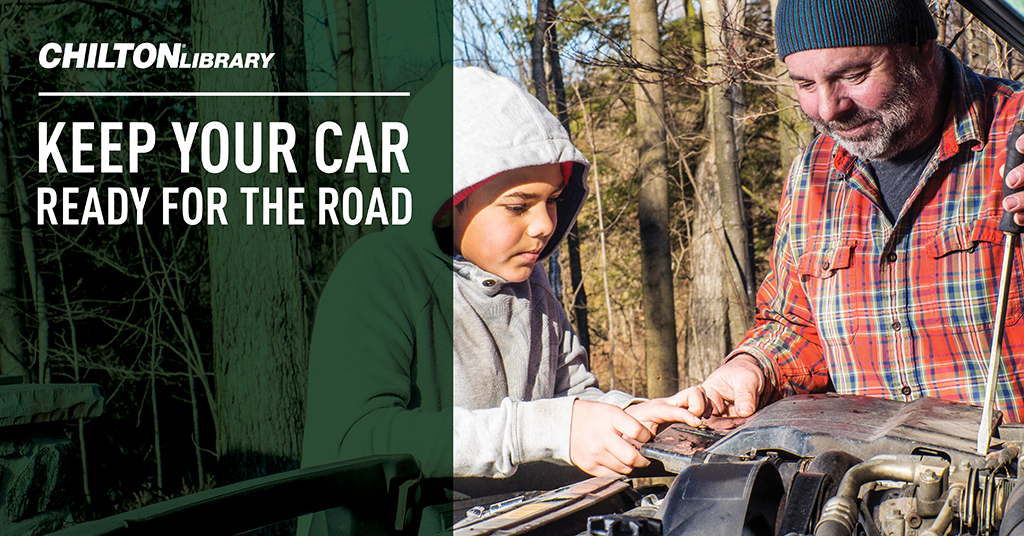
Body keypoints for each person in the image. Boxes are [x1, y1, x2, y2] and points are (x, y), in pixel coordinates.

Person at [301, 66, 693, 500]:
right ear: (449, 203)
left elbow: (573, 399)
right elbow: (360, 437)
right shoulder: (379, 275)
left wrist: (640, 415)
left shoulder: (532, 287)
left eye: (553, 201)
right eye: (518, 206)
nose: (545, 225)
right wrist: (541, 430)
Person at [677, 0, 1024, 428]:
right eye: (804, 84)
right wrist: (752, 367)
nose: (827, 108)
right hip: (867, 484)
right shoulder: (812, 173)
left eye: (853, 76)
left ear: (922, 48)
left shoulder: (1016, 136)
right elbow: (796, 323)